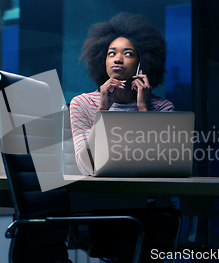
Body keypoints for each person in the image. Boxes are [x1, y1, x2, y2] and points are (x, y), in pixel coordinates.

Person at [70, 12, 174, 175]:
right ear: (101, 60)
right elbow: (86, 167)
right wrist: (102, 111)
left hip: (150, 199)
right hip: (106, 197)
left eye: (128, 54)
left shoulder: (162, 108)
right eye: (111, 53)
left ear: (143, 63)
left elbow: (160, 168)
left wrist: (143, 109)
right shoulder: (82, 104)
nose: (117, 59)